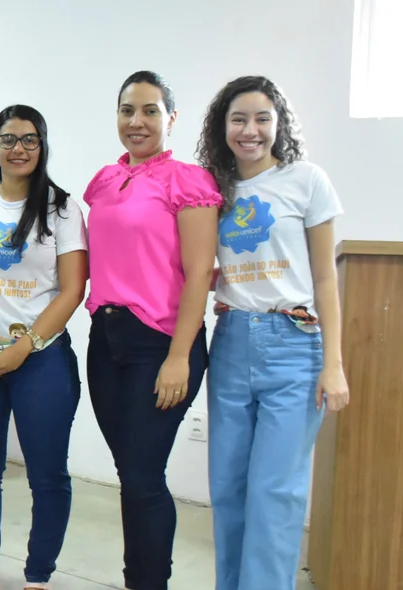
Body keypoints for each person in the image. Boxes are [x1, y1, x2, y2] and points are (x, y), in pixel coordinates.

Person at [194, 75, 350, 590]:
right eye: (238, 119)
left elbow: (325, 275)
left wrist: (334, 364)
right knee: (230, 488)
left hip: (295, 348)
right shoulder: (212, 189)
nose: (250, 130)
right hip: (233, 341)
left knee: (275, 493)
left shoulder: (306, 180)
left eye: (262, 118)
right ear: (223, 127)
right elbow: (197, 264)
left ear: (278, 124)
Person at [82, 71, 221, 590]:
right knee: (132, 477)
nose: (136, 121)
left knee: (142, 477)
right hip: (105, 339)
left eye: (149, 111)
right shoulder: (103, 181)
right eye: (127, 110)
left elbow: (200, 273)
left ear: (171, 118)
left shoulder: (188, 181)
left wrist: (180, 356)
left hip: (161, 343)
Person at [0, 105, 88, 590]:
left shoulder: (63, 208)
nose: (19, 148)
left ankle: (38, 577)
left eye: (29, 139)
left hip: (42, 361)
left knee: (47, 474)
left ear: (42, 146)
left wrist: (25, 347)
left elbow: (73, 290)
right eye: (8, 140)